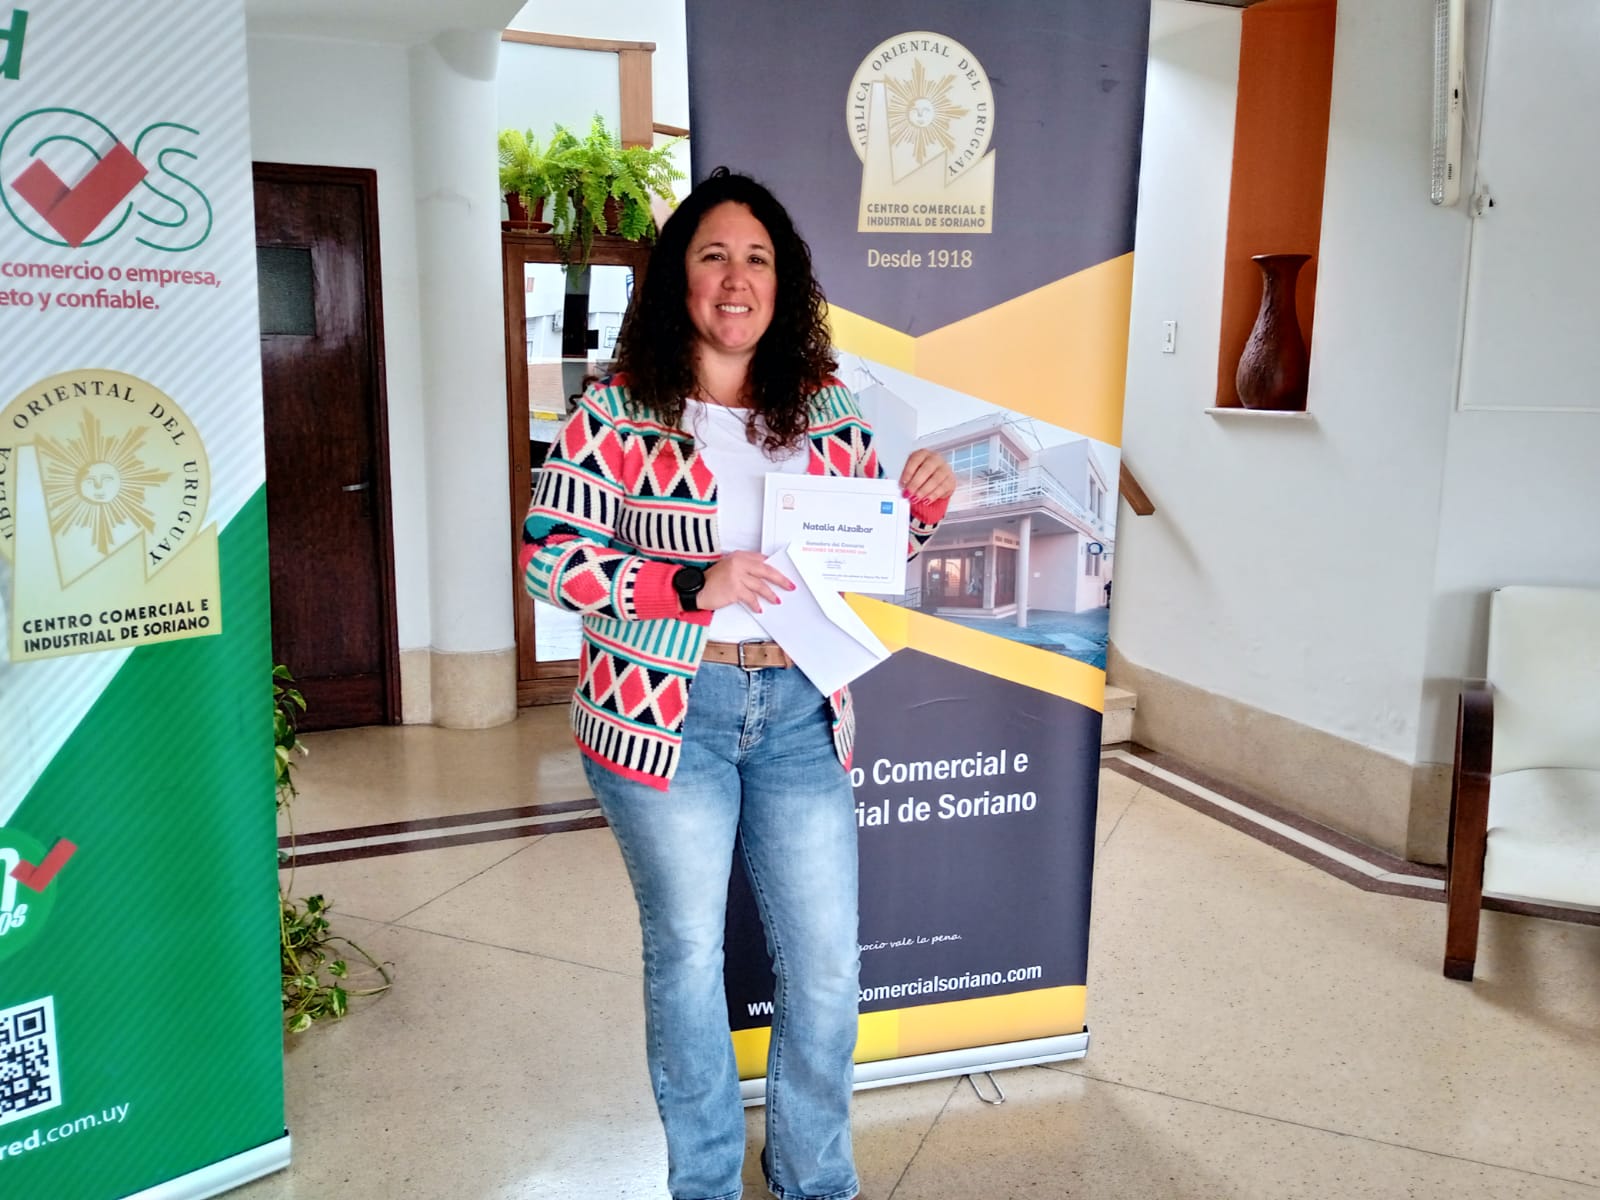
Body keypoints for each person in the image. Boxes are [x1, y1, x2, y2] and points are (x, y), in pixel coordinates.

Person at [520, 167, 955, 1200]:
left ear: (781, 283)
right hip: (666, 717)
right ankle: (706, 1183)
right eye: (712, 255)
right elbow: (550, 559)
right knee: (687, 958)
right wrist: (691, 583)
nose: (735, 278)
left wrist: (918, 512)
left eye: (756, 259)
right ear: (679, 278)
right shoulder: (618, 409)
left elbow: (862, 553)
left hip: (802, 709)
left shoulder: (826, 406)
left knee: (828, 966)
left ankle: (815, 1179)